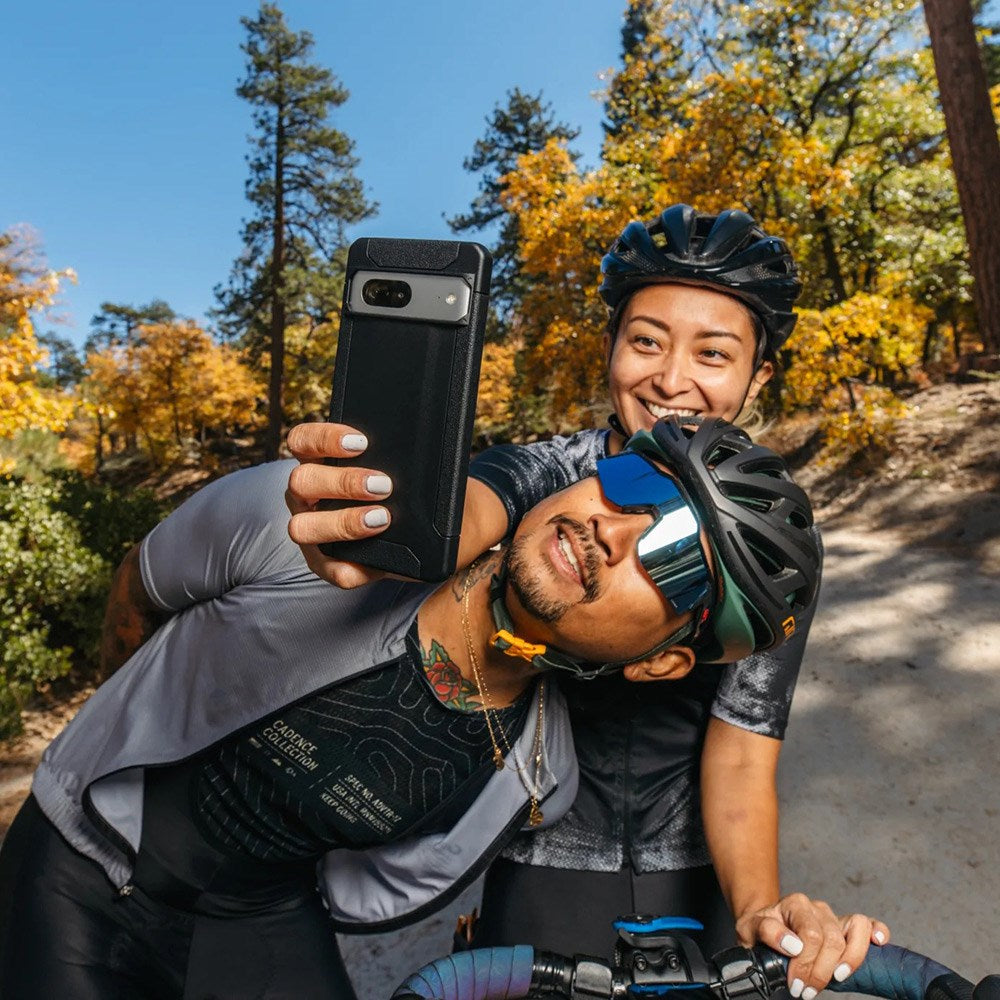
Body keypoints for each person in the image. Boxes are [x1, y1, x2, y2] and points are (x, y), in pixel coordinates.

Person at [0, 418, 834, 998]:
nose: (613, 531)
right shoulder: (302, 529)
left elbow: (362, 888)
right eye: (632, 484)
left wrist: (770, 919)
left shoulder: (534, 782)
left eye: (673, 560)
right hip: (79, 858)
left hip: (256, 915)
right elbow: (138, 593)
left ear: (660, 662)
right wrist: (108, 741)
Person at [285, 206, 887, 995]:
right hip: (539, 860)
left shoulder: (770, 547)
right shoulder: (554, 474)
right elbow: (475, 509)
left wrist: (760, 912)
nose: (671, 379)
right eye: (647, 341)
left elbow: (742, 750)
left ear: (757, 377)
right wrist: (382, 524)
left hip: (696, 870)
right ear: (610, 346)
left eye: (713, 353)